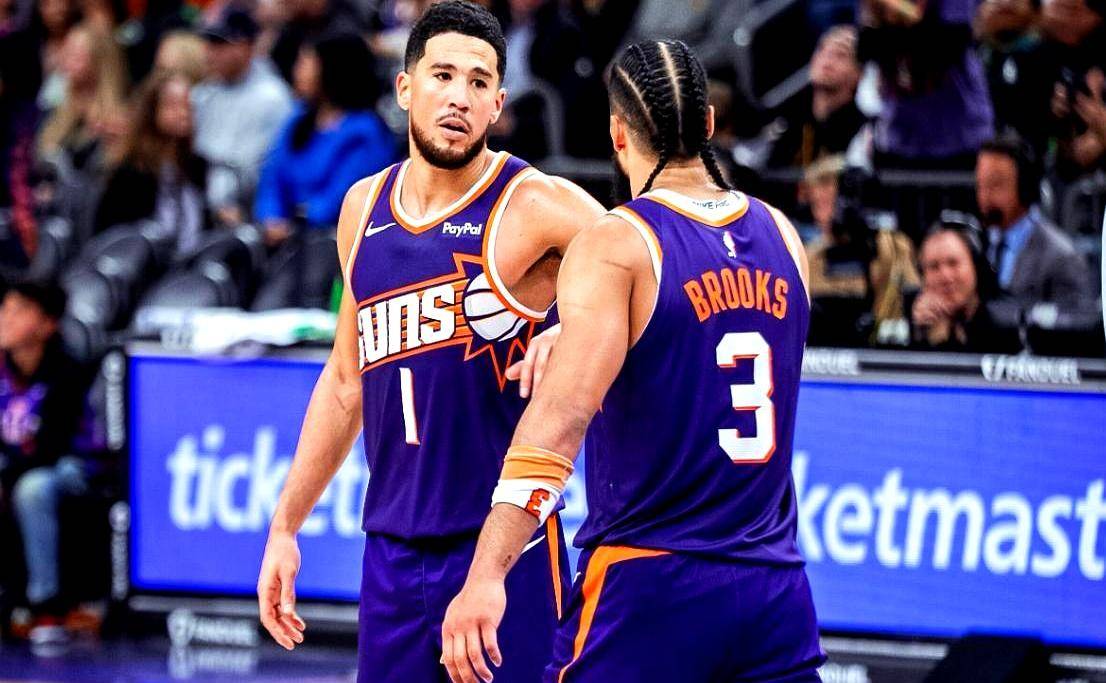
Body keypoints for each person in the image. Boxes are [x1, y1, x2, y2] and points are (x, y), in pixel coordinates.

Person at [442, 39, 824, 683]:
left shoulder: (618, 242)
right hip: (774, 589)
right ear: (708, 123)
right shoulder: (783, 236)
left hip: (652, 581)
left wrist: (486, 574)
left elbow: (556, 427)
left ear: (618, 133)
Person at [254, 3, 605, 682]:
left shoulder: (536, 203)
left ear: (498, 104)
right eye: (443, 75)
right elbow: (345, 383)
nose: (459, 97)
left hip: (504, 548)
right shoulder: (362, 207)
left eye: (479, 82)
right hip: (391, 549)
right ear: (405, 87)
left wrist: (576, 327)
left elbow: (650, 268)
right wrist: (285, 526)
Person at [0, 279, 89, 645]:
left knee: (33, 489)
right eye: (5, 308)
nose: (6, 318)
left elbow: (53, 447)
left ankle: (45, 605)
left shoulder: (67, 370)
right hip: (15, 465)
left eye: (19, 311)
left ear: (47, 324)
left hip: (71, 466)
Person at [253, 32, 395, 246]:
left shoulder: (365, 131)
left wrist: (295, 224)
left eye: (305, 64)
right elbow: (272, 176)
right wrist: (271, 217)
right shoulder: (297, 118)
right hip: (281, 236)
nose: (297, 72)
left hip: (332, 242)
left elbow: (344, 195)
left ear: (332, 69)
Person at [192, 4, 293, 226]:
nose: (210, 53)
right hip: (202, 206)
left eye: (220, 44)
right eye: (209, 44)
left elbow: (267, 170)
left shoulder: (272, 97)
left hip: (251, 213)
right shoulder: (204, 94)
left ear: (245, 46)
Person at [93, 71, 207, 254]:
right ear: (152, 111)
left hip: (190, 260)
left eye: (188, 106)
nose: (183, 113)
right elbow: (109, 235)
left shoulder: (198, 166)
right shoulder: (132, 171)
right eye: (173, 105)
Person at [976, 133, 1091, 309]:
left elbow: (1071, 320)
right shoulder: (974, 245)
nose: (984, 197)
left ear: (1025, 186)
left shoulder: (1061, 257)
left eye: (996, 185)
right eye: (980, 185)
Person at [910, 213, 1023, 352]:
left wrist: (947, 342)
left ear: (976, 267)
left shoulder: (1005, 326)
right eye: (934, 267)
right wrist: (923, 337)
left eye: (953, 263)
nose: (945, 277)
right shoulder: (914, 324)